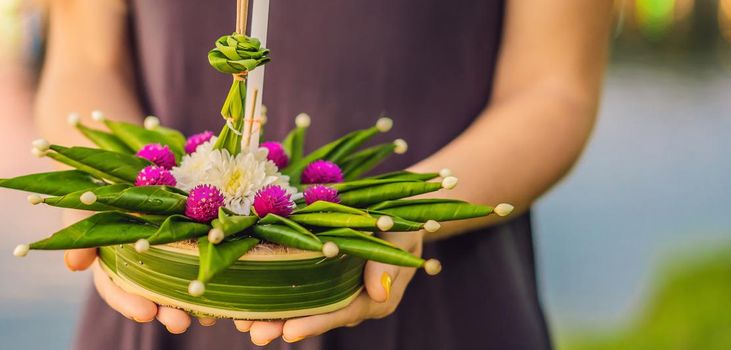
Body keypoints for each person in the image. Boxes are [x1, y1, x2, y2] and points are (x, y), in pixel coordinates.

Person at [35, 0, 611, 348]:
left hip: (443, 309)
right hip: (161, 291)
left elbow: (554, 89)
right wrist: (108, 196)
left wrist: (403, 217)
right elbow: (84, 59)